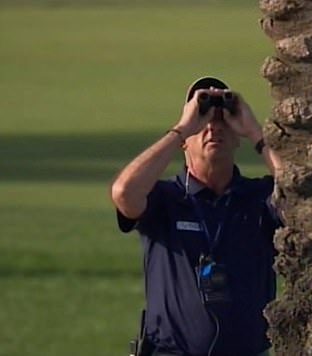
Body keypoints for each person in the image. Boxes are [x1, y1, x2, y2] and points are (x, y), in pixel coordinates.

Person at [110, 76, 282, 356]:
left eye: (222, 121)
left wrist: (255, 133)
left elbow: (305, 197)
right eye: (203, 122)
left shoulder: (258, 197)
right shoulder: (165, 198)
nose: (213, 128)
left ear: (236, 137)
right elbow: (124, 193)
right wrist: (183, 127)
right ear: (183, 143)